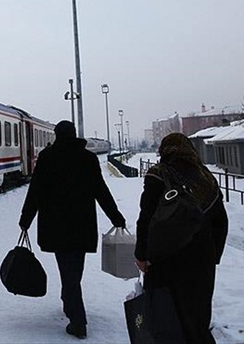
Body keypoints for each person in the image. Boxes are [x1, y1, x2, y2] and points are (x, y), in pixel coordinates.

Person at [19, 120, 126, 339]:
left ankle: (78, 320)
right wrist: (115, 216)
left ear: (57, 135)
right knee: (74, 269)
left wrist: (25, 219)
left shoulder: (48, 158)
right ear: (74, 135)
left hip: (56, 226)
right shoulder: (88, 158)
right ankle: (70, 303)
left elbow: (35, 191)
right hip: (82, 226)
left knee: (68, 270)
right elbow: (101, 190)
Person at [134, 133, 229, 344]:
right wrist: (213, 255)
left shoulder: (157, 175)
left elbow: (146, 218)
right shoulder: (206, 178)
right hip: (201, 258)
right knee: (196, 316)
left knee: (165, 315)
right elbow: (221, 222)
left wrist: (141, 253)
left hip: (164, 258)